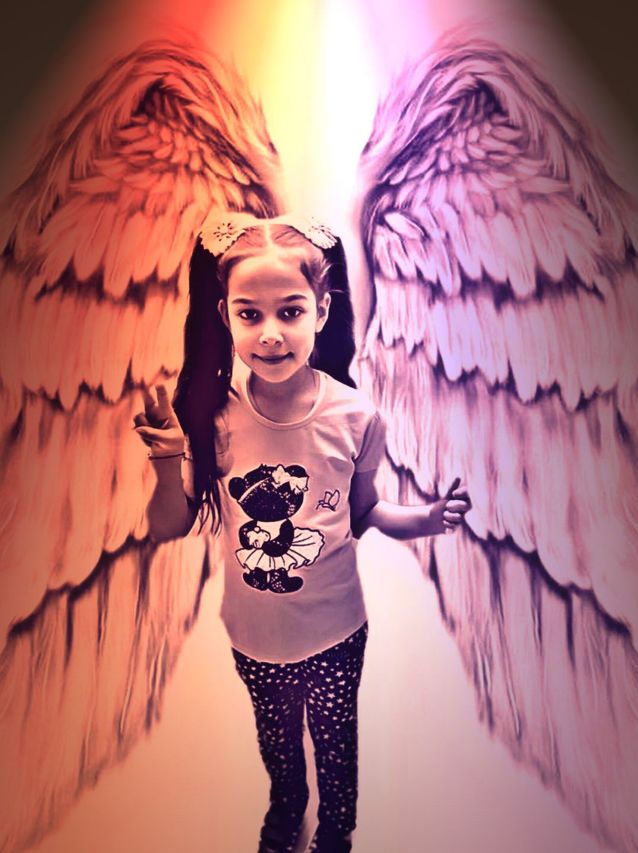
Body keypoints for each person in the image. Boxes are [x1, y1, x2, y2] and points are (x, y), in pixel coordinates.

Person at [133, 212, 471, 853]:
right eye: (249, 314)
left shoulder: (356, 416)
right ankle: (286, 813)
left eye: (290, 311)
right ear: (224, 317)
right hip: (253, 636)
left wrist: (425, 519)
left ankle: (336, 831)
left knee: (336, 743)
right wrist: (168, 457)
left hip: (336, 630)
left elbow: (365, 513)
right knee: (278, 743)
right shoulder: (213, 419)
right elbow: (166, 525)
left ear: (321, 311)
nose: (270, 333)